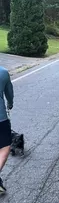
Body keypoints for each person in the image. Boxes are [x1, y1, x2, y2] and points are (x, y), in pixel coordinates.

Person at [0, 66, 14, 194]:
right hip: (0, 118)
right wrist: (10, 104)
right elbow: (9, 93)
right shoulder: (3, 72)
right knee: (5, 147)